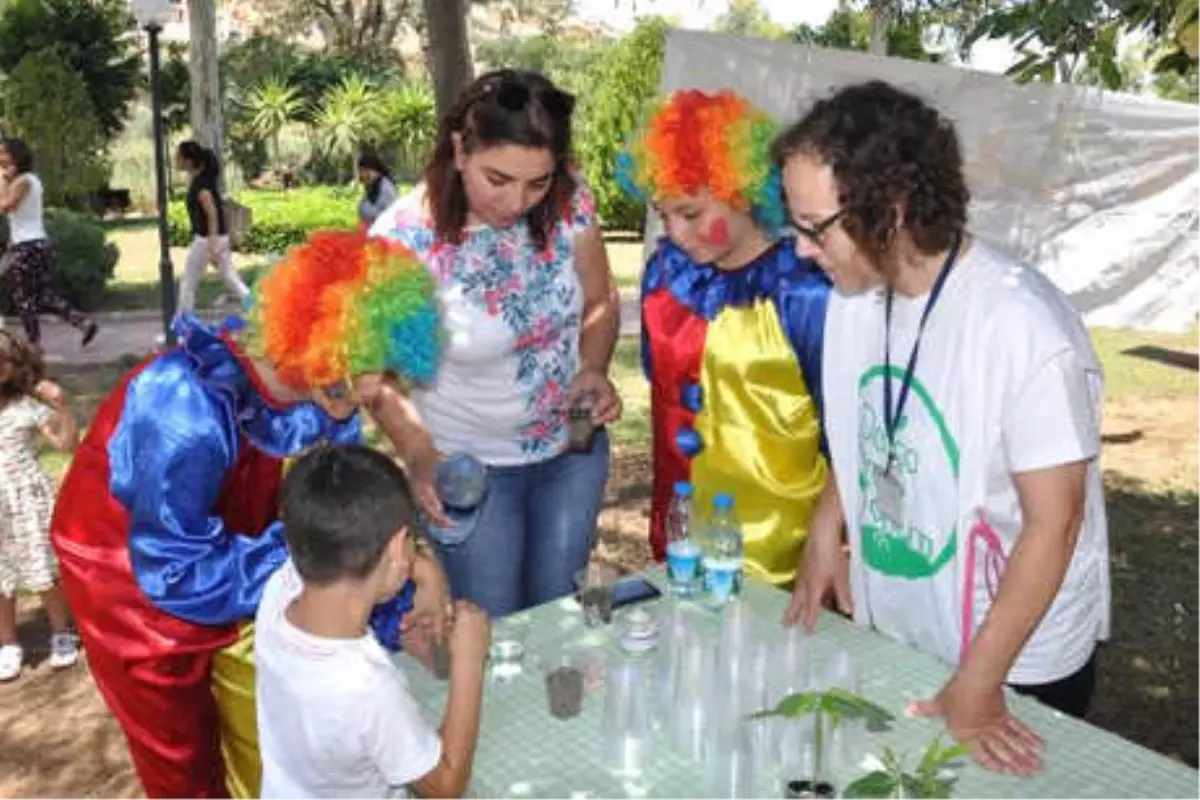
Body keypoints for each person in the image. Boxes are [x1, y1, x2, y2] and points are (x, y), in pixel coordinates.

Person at [776, 81, 1110, 776]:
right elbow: (871, 425)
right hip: (913, 618)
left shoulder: (1024, 329)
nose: (800, 249)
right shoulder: (854, 295)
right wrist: (823, 527)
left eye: (814, 226)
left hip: (1017, 652)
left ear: (890, 211)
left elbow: (1057, 524)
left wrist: (980, 686)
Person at [50, 231, 452, 799]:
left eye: (386, 374)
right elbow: (175, 569)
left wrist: (407, 585)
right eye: (373, 368)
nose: (373, 392)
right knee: (182, 756)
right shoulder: (182, 406)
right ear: (325, 339)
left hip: (242, 554)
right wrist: (314, 555)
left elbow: (342, 518)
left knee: (270, 730)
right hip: (133, 579)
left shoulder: (324, 394)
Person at [370, 69, 622, 618]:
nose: (517, 202)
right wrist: (416, 453)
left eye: (537, 183)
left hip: (572, 454)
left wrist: (593, 367)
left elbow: (600, 301)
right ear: (459, 148)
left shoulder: (569, 202)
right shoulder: (403, 239)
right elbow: (376, 376)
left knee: (559, 623)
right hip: (468, 472)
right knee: (492, 634)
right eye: (498, 179)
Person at [619, 89, 832, 585]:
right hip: (678, 539)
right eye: (662, 213)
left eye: (691, 213)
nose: (673, 231)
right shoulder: (664, 279)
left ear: (743, 193)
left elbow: (841, 433)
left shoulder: (805, 291)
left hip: (779, 555)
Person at [257, 444, 490, 799]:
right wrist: (469, 664)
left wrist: (427, 576)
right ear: (399, 547)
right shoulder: (366, 688)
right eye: (414, 541)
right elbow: (445, 787)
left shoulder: (280, 590)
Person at [0, 331, 80, 681]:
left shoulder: (26, 408)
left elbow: (66, 444)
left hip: (27, 501)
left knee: (43, 568)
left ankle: (61, 632)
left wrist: (62, 408)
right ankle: (8, 642)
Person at [0, 138, 97, 347]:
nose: (0, 157)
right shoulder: (32, 180)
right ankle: (83, 322)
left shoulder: (23, 181)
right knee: (42, 296)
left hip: (26, 247)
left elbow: (5, 206)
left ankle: (34, 345)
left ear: (14, 157)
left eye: (3, 153)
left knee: (24, 299)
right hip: (35, 244)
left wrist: (5, 181)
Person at [175, 140, 251, 312]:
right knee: (231, 278)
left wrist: (212, 242)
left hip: (206, 239)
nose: (175, 160)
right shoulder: (203, 180)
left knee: (188, 282)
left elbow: (212, 213)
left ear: (189, 161)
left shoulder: (201, 185)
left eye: (178, 157)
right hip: (217, 238)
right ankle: (256, 309)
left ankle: (184, 328)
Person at [357, 150, 399, 230]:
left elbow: (390, 218)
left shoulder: (387, 190)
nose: (362, 175)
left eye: (366, 171)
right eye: (361, 171)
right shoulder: (371, 188)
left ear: (377, 171)